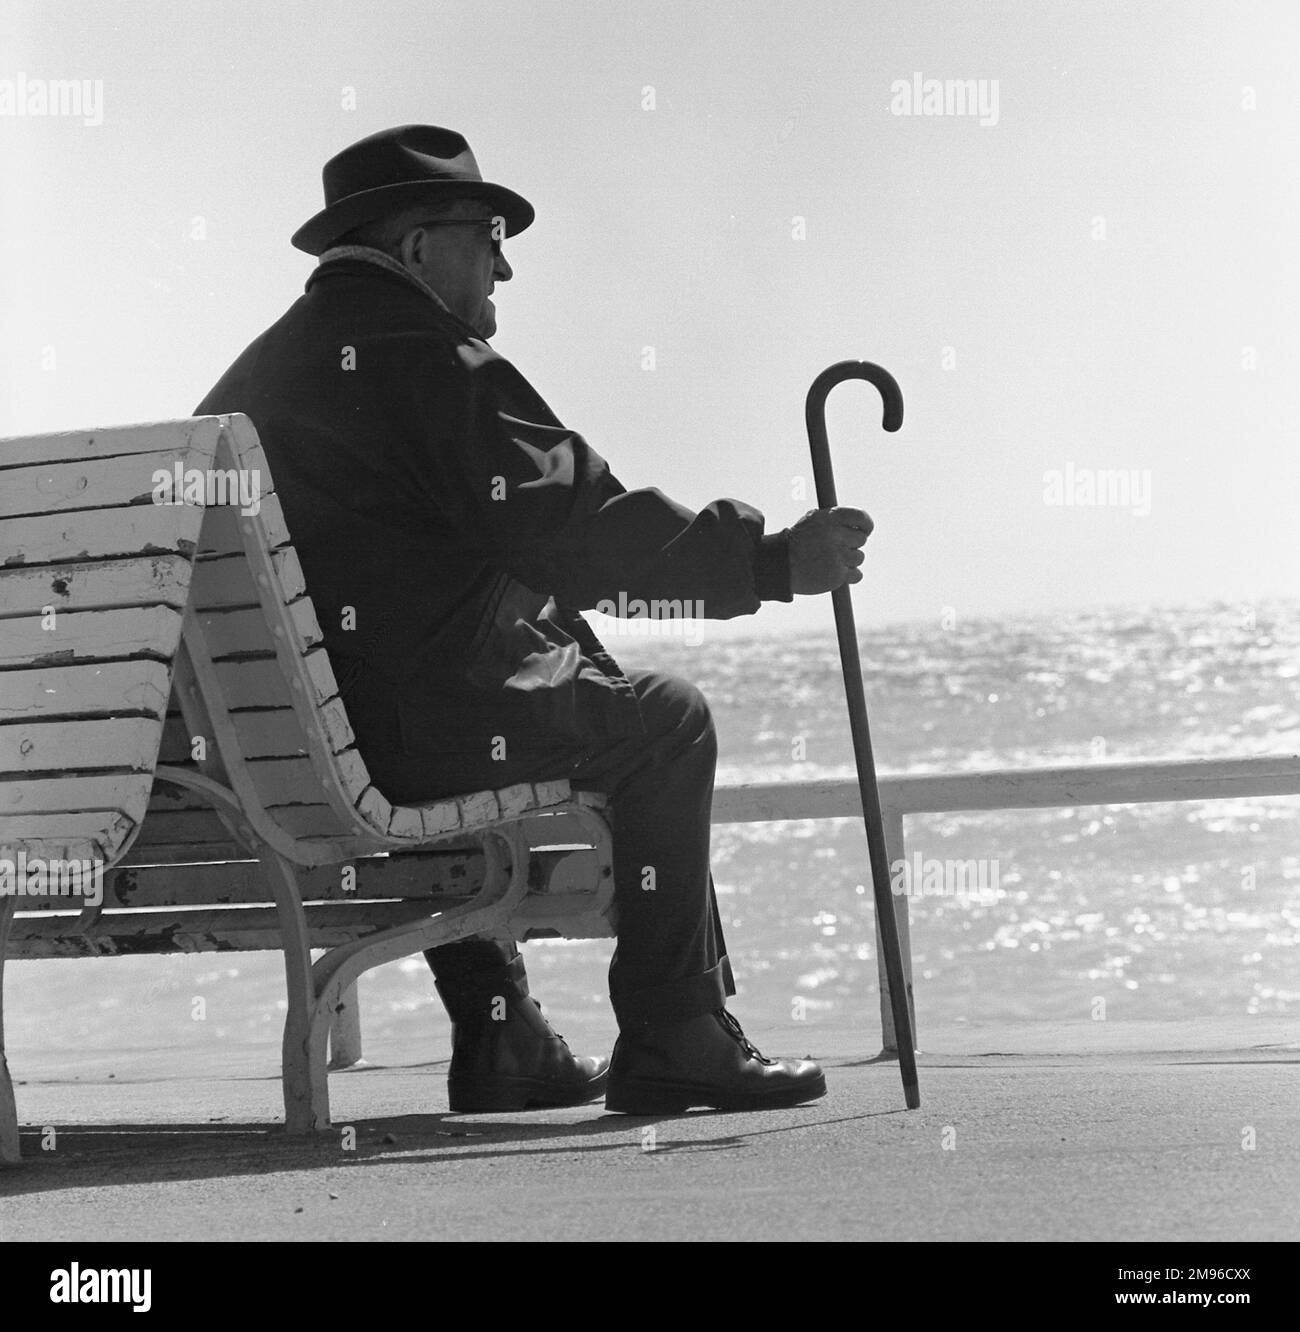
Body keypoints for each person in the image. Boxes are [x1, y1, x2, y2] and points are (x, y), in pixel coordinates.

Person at [195, 125, 873, 1115]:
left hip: (274, 757)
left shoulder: (248, 382)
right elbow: (578, 529)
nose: (505, 262)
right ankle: (677, 1031)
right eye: (489, 233)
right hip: (403, 742)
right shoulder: (425, 357)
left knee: (514, 661)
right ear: (420, 246)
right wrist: (768, 562)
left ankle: (500, 1032)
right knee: (665, 721)